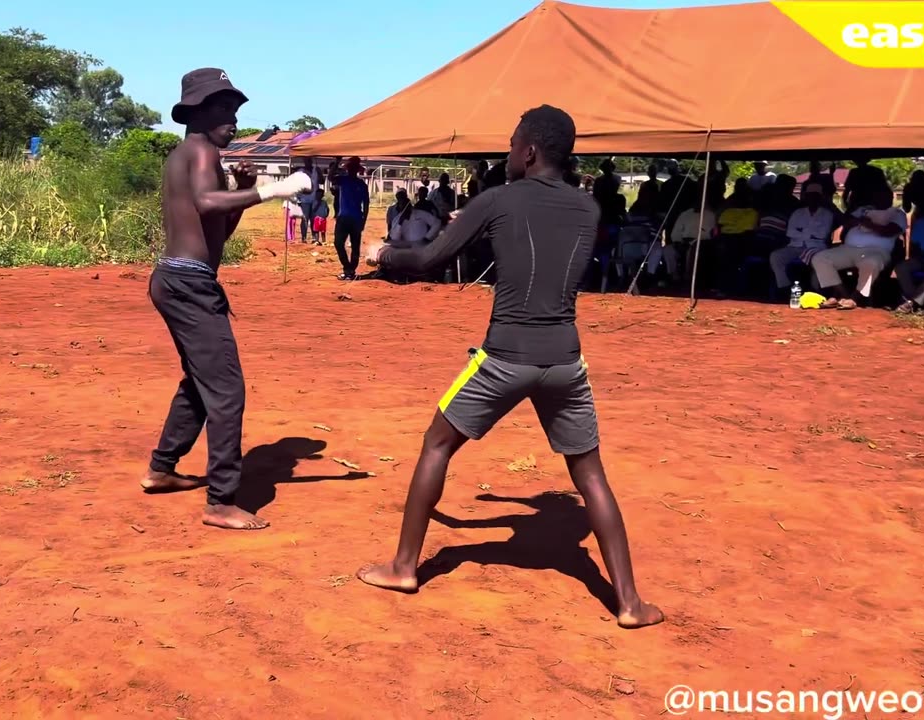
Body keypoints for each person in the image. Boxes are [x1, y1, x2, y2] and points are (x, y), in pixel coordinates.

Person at [354, 105, 663, 630]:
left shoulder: (497, 199)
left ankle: (404, 567)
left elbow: (428, 259)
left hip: (504, 358)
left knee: (436, 444)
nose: (506, 152)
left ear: (529, 151)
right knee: (589, 473)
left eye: (511, 143)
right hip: (566, 362)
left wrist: (382, 254)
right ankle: (630, 604)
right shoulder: (589, 209)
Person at [141, 68, 310, 530]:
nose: (233, 120)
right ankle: (220, 502)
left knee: (200, 381)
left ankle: (161, 469)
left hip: (180, 279)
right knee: (226, 391)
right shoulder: (197, 152)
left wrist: (239, 191)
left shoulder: (197, 155)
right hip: (190, 285)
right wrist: (270, 190)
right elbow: (206, 205)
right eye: (222, 109)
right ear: (195, 113)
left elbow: (216, 229)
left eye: (235, 110)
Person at [811, 185, 906, 310]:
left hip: (877, 251)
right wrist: (861, 220)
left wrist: (870, 224)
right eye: (877, 196)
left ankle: (854, 298)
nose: (880, 199)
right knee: (819, 258)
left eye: (884, 196)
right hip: (848, 248)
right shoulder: (863, 210)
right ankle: (843, 295)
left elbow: (890, 231)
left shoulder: (897, 213)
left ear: (891, 198)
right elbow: (847, 223)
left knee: (870, 263)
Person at [332, 156, 369, 280]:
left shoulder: (361, 184)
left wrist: (364, 220)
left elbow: (366, 204)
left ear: (356, 170)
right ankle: (348, 268)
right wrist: (336, 162)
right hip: (344, 217)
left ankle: (350, 270)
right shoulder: (343, 180)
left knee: (355, 246)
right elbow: (330, 177)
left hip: (355, 218)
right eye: (350, 168)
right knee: (338, 243)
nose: (351, 170)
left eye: (353, 168)